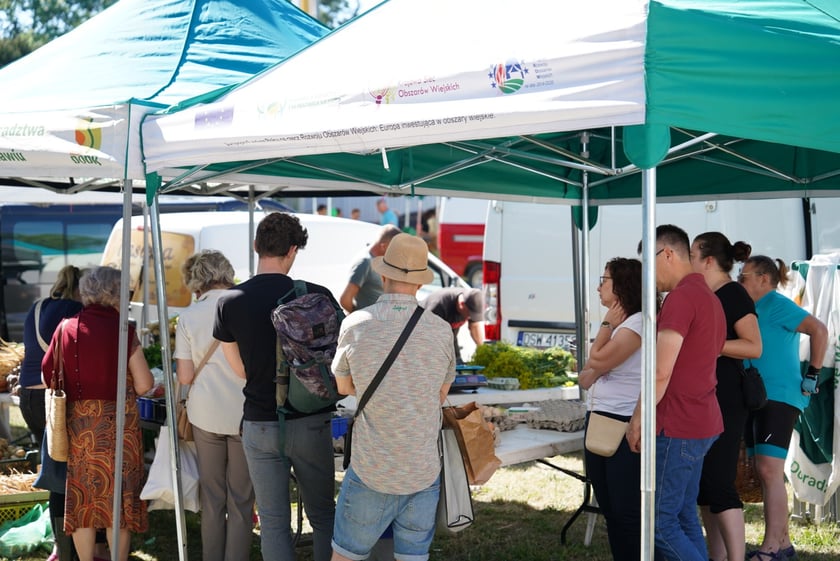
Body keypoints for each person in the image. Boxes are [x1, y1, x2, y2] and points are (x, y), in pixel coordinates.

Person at [214, 212, 339, 561]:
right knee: (324, 514)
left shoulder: (229, 301)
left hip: (259, 422)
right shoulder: (318, 296)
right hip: (311, 420)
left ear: (256, 246)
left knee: (272, 521)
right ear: (294, 250)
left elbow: (239, 369)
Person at [330, 233, 455, 561]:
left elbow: (343, 387)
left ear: (383, 275)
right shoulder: (442, 330)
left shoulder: (356, 324)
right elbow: (440, 394)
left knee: (345, 556)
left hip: (372, 468)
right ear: (419, 283)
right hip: (422, 471)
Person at [627, 224, 726, 561]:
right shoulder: (710, 298)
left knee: (659, 524)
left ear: (667, 254)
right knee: (682, 515)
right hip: (700, 421)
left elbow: (660, 371)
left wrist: (637, 418)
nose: (647, 277)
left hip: (678, 424)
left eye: (648, 265)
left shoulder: (682, 298)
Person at [41, 266, 154, 561]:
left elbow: (47, 376)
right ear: (114, 294)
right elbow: (144, 384)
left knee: (83, 503)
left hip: (81, 430)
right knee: (118, 503)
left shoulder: (65, 327)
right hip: (120, 430)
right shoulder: (123, 331)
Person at [739, 256, 827, 561]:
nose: (739, 280)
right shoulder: (751, 308)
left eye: (744, 276)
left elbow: (819, 329)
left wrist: (813, 373)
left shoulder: (775, 303)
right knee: (766, 472)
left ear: (764, 279)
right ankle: (782, 542)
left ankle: (773, 548)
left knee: (769, 470)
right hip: (760, 396)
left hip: (779, 396)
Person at [174, 250, 254, 561]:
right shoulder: (246, 307)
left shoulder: (189, 316)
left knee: (212, 497)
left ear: (196, 280)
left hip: (205, 415)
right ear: (227, 272)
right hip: (245, 413)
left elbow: (184, 375)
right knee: (242, 499)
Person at [689, 232, 763, 561]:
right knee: (705, 488)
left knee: (719, 483)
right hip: (704, 399)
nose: (687, 261)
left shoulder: (733, 294)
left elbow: (754, 346)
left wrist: (712, 346)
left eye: (691, 255)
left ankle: (736, 557)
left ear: (707, 260)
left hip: (727, 401)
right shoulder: (705, 294)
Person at [578, 258, 642, 561]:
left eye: (604, 279)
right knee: (609, 507)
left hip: (623, 422)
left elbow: (597, 361)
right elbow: (585, 376)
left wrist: (605, 326)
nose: (598, 286)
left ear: (622, 286)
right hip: (601, 417)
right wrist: (599, 361)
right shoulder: (623, 324)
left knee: (624, 510)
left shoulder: (636, 323)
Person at [20, 265, 83, 561]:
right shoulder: (74, 308)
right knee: (65, 475)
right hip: (54, 397)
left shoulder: (36, 307)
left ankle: (63, 545)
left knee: (53, 471)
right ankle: (71, 545)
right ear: (81, 289)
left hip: (28, 397)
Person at [339, 224, 401, 313]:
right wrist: (359, 318)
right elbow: (345, 299)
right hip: (369, 324)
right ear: (383, 246)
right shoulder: (365, 262)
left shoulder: (380, 260)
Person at [421, 287, 484, 364]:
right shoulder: (438, 306)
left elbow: (474, 327)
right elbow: (428, 339)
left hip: (450, 337)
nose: (470, 317)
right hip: (425, 336)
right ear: (462, 305)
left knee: (457, 363)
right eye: (469, 315)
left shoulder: (471, 302)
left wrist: (482, 349)